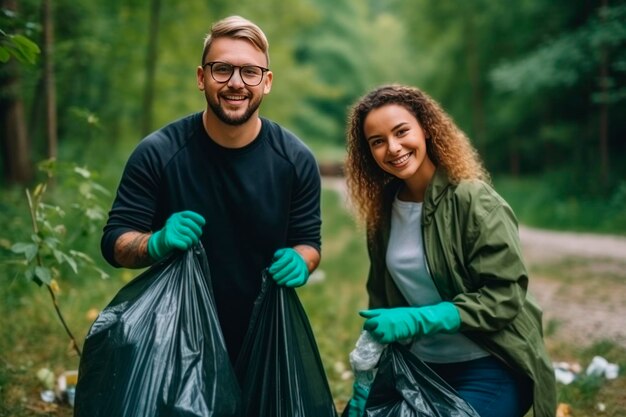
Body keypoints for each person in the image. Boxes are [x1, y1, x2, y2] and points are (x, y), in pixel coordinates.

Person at [100, 15, 322, 365]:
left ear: (267, 82)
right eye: (222, 69)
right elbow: (114, 244)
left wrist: (302, 260)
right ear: (202, 78)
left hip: (263, 338)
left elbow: (309, 243)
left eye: (250, 72)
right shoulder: (158, 153)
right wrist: (155, 242)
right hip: (173, 338)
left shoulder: (295, 160)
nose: (236, 83)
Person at [343, 85, 556, 417]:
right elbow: (382, 304)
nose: (393, 148)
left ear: (426, 129)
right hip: (419, 369)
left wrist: (419, 318)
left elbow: (505, 294)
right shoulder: (383, 213)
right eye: (378, 141)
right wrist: (366, 379)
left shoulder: (472, 199)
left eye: (401, 132)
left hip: (491, 365)